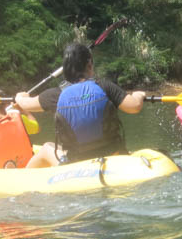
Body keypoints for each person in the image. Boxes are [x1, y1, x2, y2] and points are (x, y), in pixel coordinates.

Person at [14, 42, 146, 167]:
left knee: (46, 148)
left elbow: (25, 104)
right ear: (89, 65)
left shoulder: (55, 95)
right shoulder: (104, 86)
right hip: (113, 154)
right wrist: (139, 95)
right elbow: (134, 106)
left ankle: (22, 180)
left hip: (76, 162)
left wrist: (20, 97)